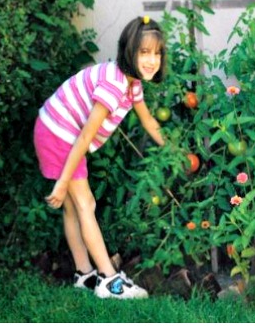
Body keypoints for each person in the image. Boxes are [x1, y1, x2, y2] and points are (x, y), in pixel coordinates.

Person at [33, 16, 167, 299]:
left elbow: (149, 121)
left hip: (54, 127)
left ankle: (85, 275)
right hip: (60, 133)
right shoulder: (114, 86)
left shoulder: (132, 84)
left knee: (73, 208)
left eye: (157, 52)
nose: (152, 60)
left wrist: (174, 148)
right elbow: (83, 137)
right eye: (144, 52)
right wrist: (62, 182)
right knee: (85, 203)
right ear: (129, 50)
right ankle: (110, 281)